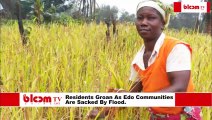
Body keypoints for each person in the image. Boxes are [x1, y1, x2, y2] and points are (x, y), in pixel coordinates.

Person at [87, 0, 202, 119]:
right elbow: (132, 96)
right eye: (140, 18)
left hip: (183, 115)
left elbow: (179, 88)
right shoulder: (138, 59)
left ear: (163, 23)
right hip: (157, 116)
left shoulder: (175, 48)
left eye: (151, 18)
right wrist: (103, 112)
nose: (144, 22)